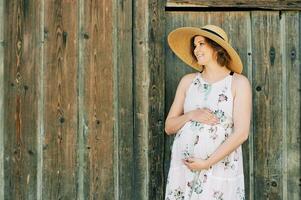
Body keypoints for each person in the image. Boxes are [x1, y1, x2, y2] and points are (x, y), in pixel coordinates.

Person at [164, 25, 252, 200]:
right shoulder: (187, 82)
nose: (196, 50)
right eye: (194, 46)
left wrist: (206, 163)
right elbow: (169, 127)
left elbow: (241, 133)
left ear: (217, 48)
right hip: (184, 169)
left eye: (201, 44)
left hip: (219, 167)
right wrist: (191, 115)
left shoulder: (238, 83)